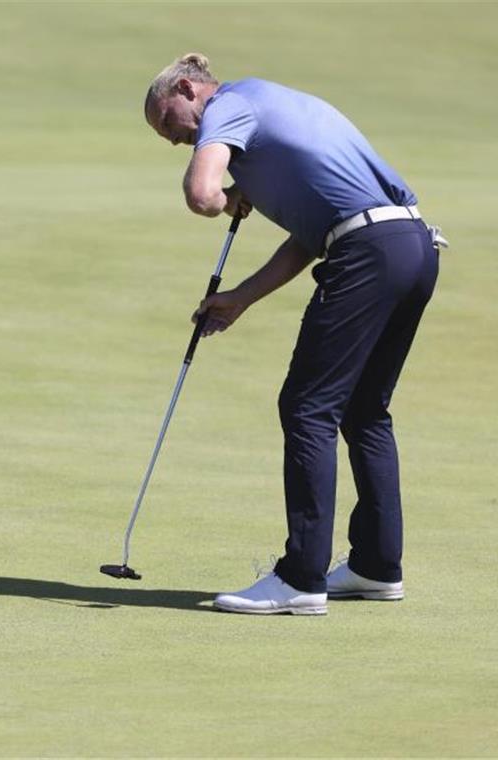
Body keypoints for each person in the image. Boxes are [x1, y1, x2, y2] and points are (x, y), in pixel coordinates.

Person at [144, 53, 446, 615]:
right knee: (363, 411)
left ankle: (301, 578)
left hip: (369, 252)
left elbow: (201, 194)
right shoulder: (269, 105)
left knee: (307, 408)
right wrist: (239, 299)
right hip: (412, 245)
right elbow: (314, 237)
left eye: (169, 123)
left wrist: (224, 197)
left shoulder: (229, 107)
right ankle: (376, 567)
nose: (173, 139)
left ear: (188, 88)